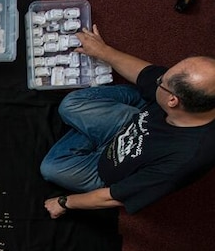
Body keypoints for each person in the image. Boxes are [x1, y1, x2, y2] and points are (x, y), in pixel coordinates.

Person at [40, 25, 215, 218]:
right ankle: (98, 131)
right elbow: (145, 74)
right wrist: (103, 51)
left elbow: (114, 197)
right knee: (70, 105)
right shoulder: (198, 94)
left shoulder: (182, 163)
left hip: (108, 169)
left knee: (51, 169)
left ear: (173, 101)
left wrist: (65, 203)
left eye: (161, 82)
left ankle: (95, 134)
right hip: (135, 118)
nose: (158, 78)